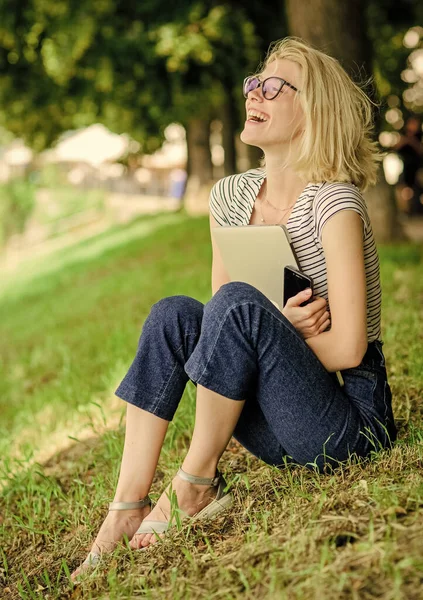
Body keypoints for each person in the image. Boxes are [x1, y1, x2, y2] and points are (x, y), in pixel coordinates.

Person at [71, 37, 397, 579]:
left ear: (312, 108)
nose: (254, 92)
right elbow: (217, 327)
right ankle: (126, 507)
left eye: (274, 86)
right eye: (253, 82)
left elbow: (348, 346)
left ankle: (195, 482)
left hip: (346, 423)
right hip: (274, 424)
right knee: (174, 313)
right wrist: (277, 330)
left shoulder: (334, 202)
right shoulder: (228, 198)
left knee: (239, 306)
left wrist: (275, 336)